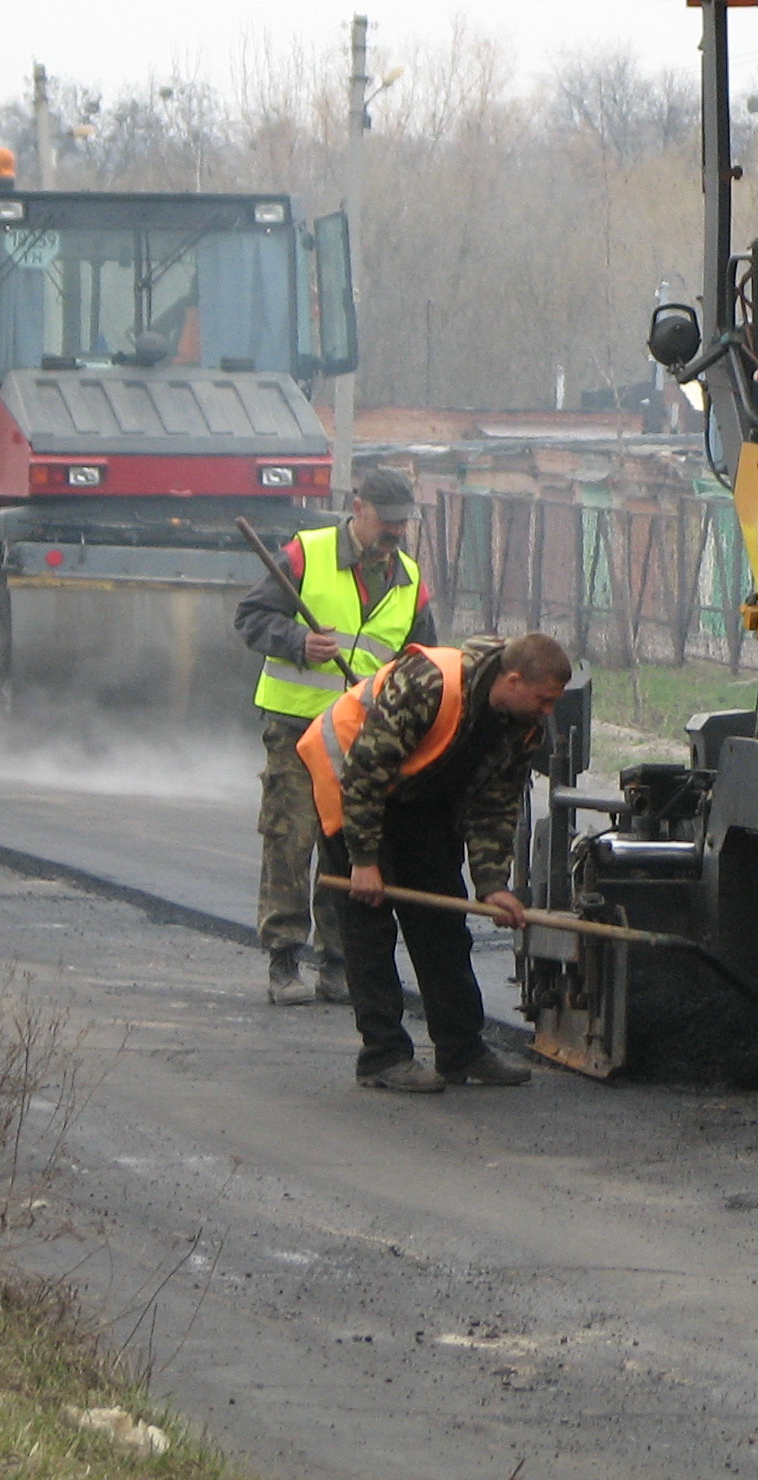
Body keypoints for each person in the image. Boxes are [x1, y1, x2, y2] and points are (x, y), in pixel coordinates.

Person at [298, 632, 567, 1093]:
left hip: (417, 794)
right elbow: (364, 772)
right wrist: (363, 860)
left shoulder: (524, 727)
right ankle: (383, 1056)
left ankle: (461, 1050)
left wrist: (491, 884)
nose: (548, 712)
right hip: (352, 783)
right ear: (516, 681)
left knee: (443, 920)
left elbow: (496, 806)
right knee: (370, 925)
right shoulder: (430, 683)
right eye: (543, 700)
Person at [233, 467, 437, 1008]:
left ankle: (337, 963)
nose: (396, 531)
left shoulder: (410, 582)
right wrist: (297, 640)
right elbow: (251, 617)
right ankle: (283, 960)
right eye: (387, 520)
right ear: (358, 506)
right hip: (298, 729)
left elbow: (422, 664)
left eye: (403, 522)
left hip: (361, 742)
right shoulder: (305, 555)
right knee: (290, 839)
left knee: (348, 849)